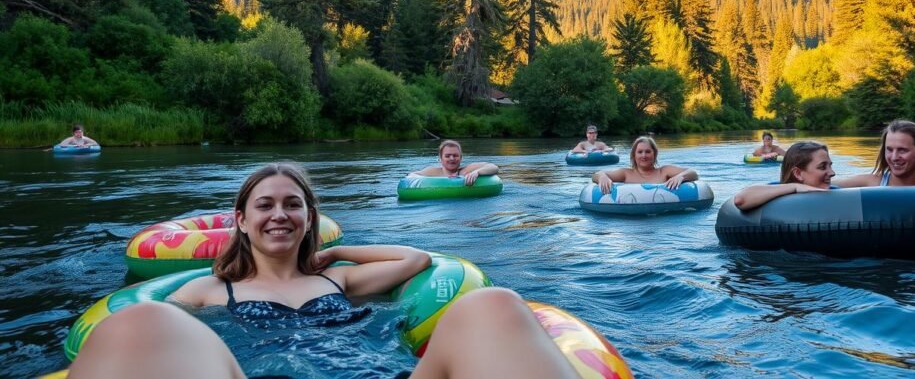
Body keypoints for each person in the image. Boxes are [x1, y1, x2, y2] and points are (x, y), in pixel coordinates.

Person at [67, 163, 577, 379]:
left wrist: (338, 253)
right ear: (241, 221)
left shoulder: (339, 280)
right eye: (264, 206)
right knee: (139, 324)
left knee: (495, 304)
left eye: (293, 204)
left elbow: (417, 261)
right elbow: (142, 345)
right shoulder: (206, 290)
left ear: (310, 218)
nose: (280, 215)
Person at [733, 141, 836, 210]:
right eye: (822, 167)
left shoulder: (831, 188)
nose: (832, 173)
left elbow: (851, 180)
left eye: (830, 166)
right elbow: (740, 200)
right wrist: (795, 187)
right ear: (798, 174)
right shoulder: (776, 191)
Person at [592, 136, 698, 194]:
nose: (644, 155)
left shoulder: (664, 171)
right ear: (634, 155)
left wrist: (680, 177)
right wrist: (602, 177)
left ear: (654, 154)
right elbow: (596, 175)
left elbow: (693, 173)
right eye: (640, 152)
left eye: (648, 151)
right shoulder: (626, 174)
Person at [409, 140, 499, 186]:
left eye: (455, 155)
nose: (452, 158)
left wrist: (477, 172)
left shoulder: (465, 171)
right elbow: (411, 175)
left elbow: (493, 167)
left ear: (461, 158)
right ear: (440, 159)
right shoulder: (434, 172)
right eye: (447, 156)